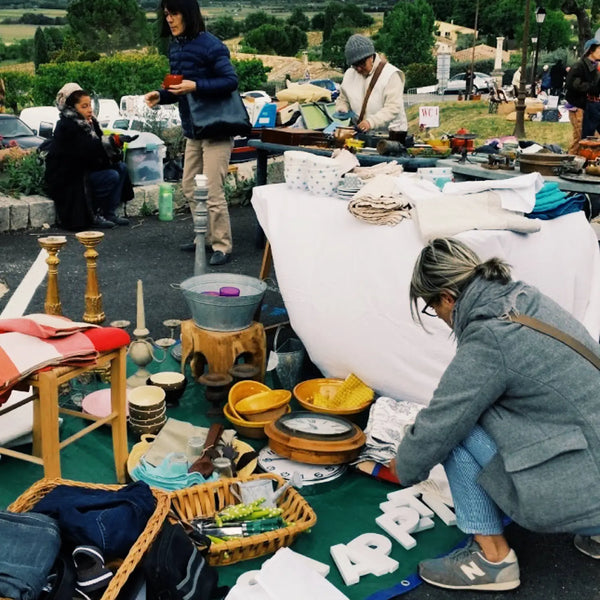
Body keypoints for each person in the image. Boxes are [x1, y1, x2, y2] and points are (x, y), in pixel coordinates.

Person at [391, 238, 600, 592]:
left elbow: (441, 422)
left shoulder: (491, 335)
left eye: (432, 307)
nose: (439, 318)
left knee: (457, 430)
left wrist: (405, 466)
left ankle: (491, 560)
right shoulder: (524, 297)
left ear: (446, 297)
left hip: (587, 487)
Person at [144, 0, 238, 266]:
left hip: (217, 128)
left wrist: (196, 85)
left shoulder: (212, 45)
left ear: (188, 14)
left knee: (212, 189)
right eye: (166, 14)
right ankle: (204, 238)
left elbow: (230, 81)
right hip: (194, 128)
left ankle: (222, 245)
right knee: (189, 186)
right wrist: (160, 96)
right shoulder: (177, 47)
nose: (169, 20)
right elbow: (178, 88)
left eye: (174, 14)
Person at [44, 83, 133, 231]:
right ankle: (94, 214)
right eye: (84, 106)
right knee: (110, 176)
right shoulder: (66, 126)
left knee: (121, 168)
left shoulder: (91, 123)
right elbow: (85, 151)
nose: (90, 110)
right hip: (70, 178)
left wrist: (114, 146)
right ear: (73, 108)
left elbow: (96, 150)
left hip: (86, 169)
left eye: (90, 105)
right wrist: (110, 143)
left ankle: (109, 213)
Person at [335, 34, 407, 138]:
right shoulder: (349, 74)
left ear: (371, 57)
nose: (359, 69)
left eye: (362, 64)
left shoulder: (391, 74)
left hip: (390, 136)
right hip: (362, 135)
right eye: (355, 65)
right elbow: (343, 98)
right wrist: (342, 108)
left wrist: (371, 122)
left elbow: (393, 107)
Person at [565, 39, 600, 153]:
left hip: (590, 106)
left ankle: (584, 161)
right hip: (578, 105)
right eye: (599, 49)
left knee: (591, 137)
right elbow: (573, 84)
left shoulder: (595, 67)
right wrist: (591, 87)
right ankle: (571, 161)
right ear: (591, 51)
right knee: (580, 138)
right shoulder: (579, 66)